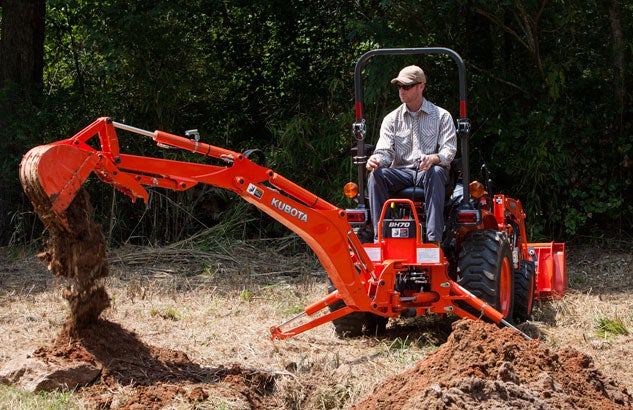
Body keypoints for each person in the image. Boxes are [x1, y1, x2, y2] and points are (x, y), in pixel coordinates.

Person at [366, 65, 457, 242]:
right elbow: (385, 152)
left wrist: (433, 158)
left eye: (406, 86)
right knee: (375, 175)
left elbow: (449, 151)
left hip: (429, 172)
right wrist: (376, 159)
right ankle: (381, 238)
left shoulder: (441, 116)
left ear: (421, 86)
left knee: (437, 172)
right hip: (402, 172)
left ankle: (433, 241)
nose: (402, 91)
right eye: (399, 86)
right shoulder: (391, 119)